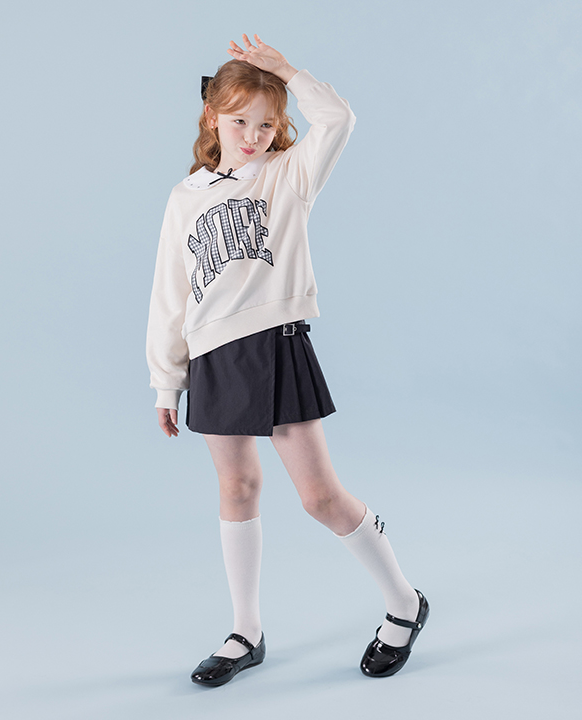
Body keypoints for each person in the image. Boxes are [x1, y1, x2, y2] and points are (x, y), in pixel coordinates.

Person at [146, 33, 429, 687]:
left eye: (266, 124)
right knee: (237, 488)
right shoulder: (185, 197)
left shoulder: (289, 175)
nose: (252, 135)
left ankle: (404, 602)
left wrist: (288, 72)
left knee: (320, 497)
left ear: (280, 129)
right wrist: (166, 382)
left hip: (276, 343)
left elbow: (339, 119)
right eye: (239, 121)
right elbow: (170, 294)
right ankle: (245, 630)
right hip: (212, 354)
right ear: (211, 117)